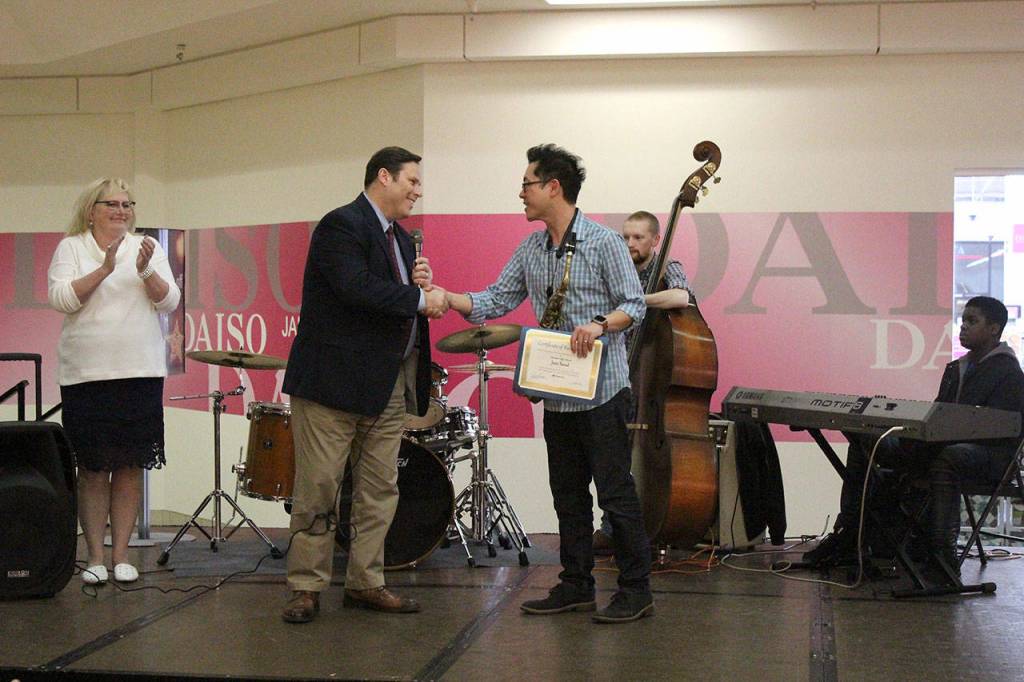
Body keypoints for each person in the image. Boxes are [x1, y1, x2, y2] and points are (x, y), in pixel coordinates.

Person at [443, 144, 654, 623]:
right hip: (558, 397)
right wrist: (448, 297)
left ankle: (637, 589)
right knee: (568, 495)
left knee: (616, 494)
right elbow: (496, 298)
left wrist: (600, 324)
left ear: (552, 187)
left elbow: (635, 304)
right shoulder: (531, 249)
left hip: (603, 393)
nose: (521, 194)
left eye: (526, 184)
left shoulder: (603, 242)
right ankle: (575, 584)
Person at [280, 147, 447, 624]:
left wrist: (418, 288)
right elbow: (355, 288)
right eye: (412, 181)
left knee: (380, 489)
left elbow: (395, 300)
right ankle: (306, 587)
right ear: (383, 177)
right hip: (332, 387)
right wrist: (418, 297)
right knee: (319, 489)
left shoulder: (400, 237)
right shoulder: (342, 225)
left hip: (386, 385)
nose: (418, 191)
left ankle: (366, 582)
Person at [805, 296, 1024, 572]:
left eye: (972, 321)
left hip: (988, 459)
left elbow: (1002, 430)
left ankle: (943, 557)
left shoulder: (1010, 373)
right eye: (963, 320)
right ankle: (851, 535)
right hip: (942, 447)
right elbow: (939, 416)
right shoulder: (957, 369)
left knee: (950, 456)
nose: (963, 326)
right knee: (866, 441)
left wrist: (942, 432)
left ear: (994, 329)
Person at [47, 178, 181, 585]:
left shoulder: (147, 249)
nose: (122, 211)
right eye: (113, 204)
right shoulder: (72, 247)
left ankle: (121, 555)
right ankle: (94, 557)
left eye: (127, 204)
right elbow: (62, 299)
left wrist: (145, 273)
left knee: (128, 466)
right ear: (92, 210)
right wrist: (104, 270)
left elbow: (169, 300)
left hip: (138, 373)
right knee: (91, 469)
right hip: (87, 375)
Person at [593, 210, 693, 552]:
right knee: (611, 456)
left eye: (638, 238)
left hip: (653, 382)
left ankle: (657, 523)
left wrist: (636, 302)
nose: (630, 244)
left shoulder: (667, 267)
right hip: (618, 375)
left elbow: (682, 296)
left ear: (655, 241)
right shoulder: (614, 270)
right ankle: (610, 528)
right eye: (626, 237)